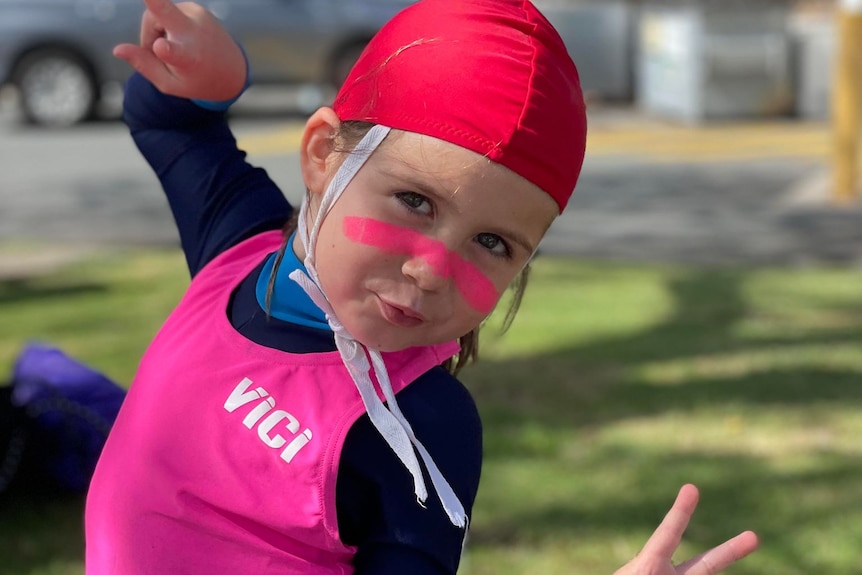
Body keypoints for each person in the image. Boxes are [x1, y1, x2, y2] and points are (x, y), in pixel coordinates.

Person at [84, 0, 759, 573]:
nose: (432, 269)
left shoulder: (423, 424)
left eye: (492, 243)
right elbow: (168, 120)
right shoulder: (236, 244)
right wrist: (211, 76)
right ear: (323, 155)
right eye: (414, 201)